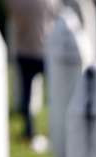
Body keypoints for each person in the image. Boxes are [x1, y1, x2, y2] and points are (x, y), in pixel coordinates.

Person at [8, 0, 59, 144]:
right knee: (54, 94)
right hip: (43, 51)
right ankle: (55, 129)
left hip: (23, 51)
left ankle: (29, 130)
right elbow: (55, 15)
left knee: (26, 95)